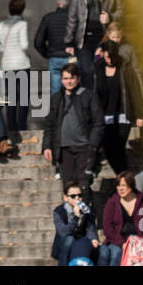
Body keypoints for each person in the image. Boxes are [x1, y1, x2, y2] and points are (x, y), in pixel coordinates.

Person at [41, 63, 105, 192]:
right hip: (64, 150)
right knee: (68, 187)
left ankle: (86, 212)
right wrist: (46, 146)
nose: (68, 81)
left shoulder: (88, 95)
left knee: (84, 184)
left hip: (84, 148)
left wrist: (92, 144)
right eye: (65, 78)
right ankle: (72, 212)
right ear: (61, 80)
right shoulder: (56, 99)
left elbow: (99, 122)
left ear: (78, 79)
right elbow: (49, 125)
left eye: (71, 78)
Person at [65, 0, 122, 84]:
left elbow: (121, 12)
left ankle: (101, 102)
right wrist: (69, 42)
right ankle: (89, 102)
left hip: (104, 37)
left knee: (103, 72)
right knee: (87, 71)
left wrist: (110, 17)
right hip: (84, 38)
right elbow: (72, 16)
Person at [92, 40, 143, 174]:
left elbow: (135, 92)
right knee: (108, 148)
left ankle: (123, 177)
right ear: (103, 54)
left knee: (119, 147)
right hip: (104, 116)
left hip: (122, 115)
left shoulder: (125, 68)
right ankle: (124, 176)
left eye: (113, 56)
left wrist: (139, 115)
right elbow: (92, 92)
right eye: (108, 56)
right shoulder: (97, 68)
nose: (110, 60)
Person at [0, 0, 30, 148]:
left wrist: (4, 49)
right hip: (21, 64)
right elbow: (24, 45)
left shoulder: (1, 25)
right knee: (23, 98)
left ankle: (12, 128)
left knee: (11, 99)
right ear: (22, 9)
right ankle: (22, 127)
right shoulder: (22, 24)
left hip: (6, 65)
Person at [99, 170, 143, 266]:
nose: (120, 189)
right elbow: (108, 228)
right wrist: (122, 244)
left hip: (141, 240)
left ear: (131, 185)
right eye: (118, 185)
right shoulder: (112, 202)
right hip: (118, 241)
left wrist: (141, 243)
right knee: (116, 254)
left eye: (123, 185)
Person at [33, 0, 72, 101]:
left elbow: (38, 42)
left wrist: (47, 54)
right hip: (71, 57)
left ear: (57, 3)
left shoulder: (48, 18)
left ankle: (57, 115)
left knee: (55, 91)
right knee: (72, 89)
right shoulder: (74, 18)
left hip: (54, 58)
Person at [51, 181, 99, 266]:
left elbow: (90, 228)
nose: (77, 198)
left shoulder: (86, 209)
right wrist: (76, 217)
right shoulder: (58, 211)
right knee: (70, 239)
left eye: (80, 195)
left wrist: (93, 239)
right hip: (64, 243)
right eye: (73, 196)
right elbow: (63, 232)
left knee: (102, 251)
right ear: (65, 198)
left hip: (81, 242)